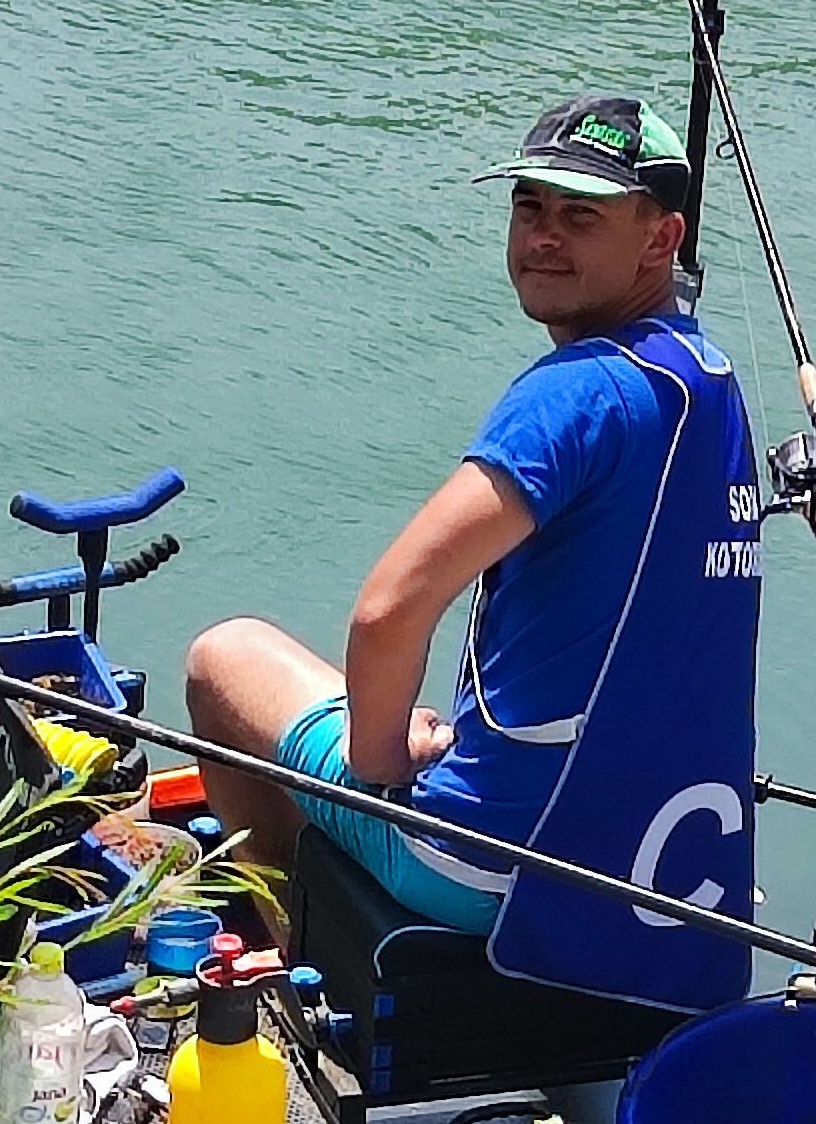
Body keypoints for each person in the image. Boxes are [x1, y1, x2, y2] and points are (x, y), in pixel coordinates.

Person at [186, 95, 764, 1008]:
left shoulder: (575, 394)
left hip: (494, 862)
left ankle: (294, 953)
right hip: (646, 865)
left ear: (663, 239)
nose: (544, 236)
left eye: (582, 216)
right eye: (529, 207)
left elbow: (388, 611)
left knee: (227, 660)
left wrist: (381, 762)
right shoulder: (711, 385)